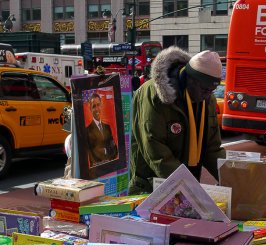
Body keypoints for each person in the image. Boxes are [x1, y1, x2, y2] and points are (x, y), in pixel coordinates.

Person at [128, 47, 226, 194]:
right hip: (150, 185)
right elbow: (155, 149)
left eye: (211, 91)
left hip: (185, 183)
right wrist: (186, 186)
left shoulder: (207, 100)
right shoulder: (153, 94)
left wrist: (231, 177)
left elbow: (211, 147)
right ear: (190, 79)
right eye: (204, 90)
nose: (207, 96)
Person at [86, 93, 118, 167]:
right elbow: (94, 154)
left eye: (98, 105)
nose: (97, 109)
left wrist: (106, 151)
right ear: (90, 109)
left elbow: (115, 149)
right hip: (98, 169)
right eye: (94, 106)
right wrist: (108, 150)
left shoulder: (107, 127)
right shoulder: (87, 130)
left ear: (101, 106)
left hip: (110, 165)